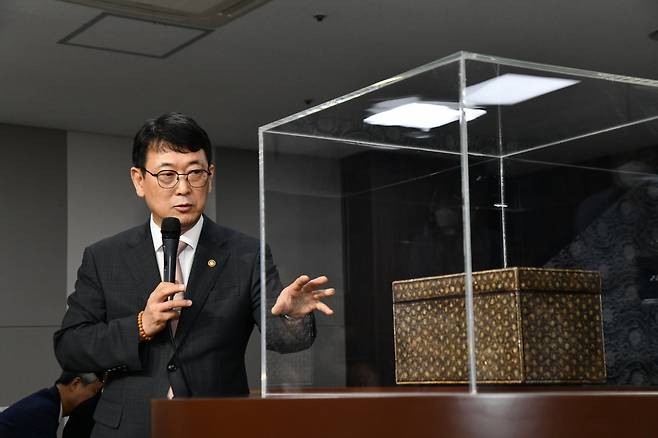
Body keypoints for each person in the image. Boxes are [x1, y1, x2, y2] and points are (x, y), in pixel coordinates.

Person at [53, 112, 334, 438]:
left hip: (218, 424)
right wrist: (140, 326)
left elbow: (282, 339)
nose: (183, 188)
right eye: (168, 175)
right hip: (128, 427)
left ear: (211, 177)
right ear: (139, 180)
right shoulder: (104, 257)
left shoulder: (246, 253)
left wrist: (293, 318)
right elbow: (71, 347)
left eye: (196, 173)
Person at [0, 371, 102, 438]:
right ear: (76, 383)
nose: (93, 398)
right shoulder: (43, 412)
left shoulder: (46, 402)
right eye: (94, 392)